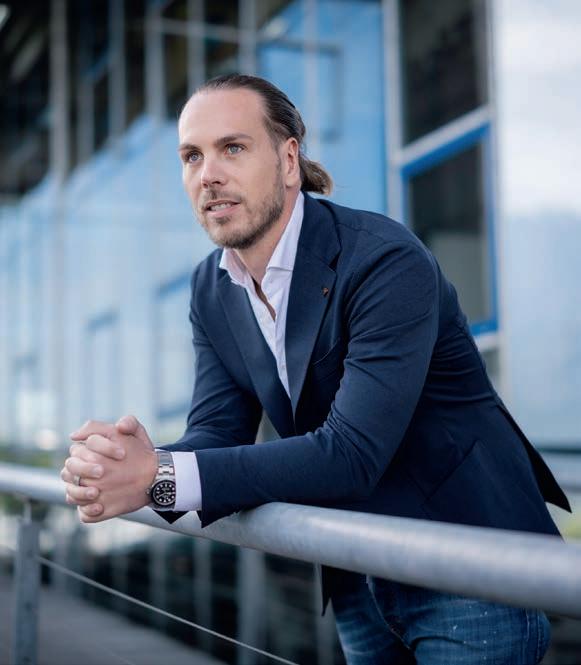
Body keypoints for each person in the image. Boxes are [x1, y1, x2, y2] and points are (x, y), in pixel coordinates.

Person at [61, 74, 570, 664]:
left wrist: (158, 475)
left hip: (465, 561)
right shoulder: (211, 287)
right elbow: (217, 432)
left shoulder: (384, 259)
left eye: (233, 148)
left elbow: (350, 453)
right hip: (352, 562)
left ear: (288, 160)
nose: (208, 174)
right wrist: (126, 467)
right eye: (192, 156)